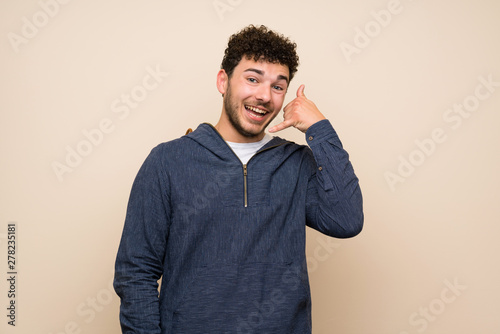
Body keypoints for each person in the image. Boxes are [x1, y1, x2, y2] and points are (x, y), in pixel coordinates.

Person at [114, 24, 363, 334]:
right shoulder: (168, 161)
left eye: (277, 86)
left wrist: (321, 129)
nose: (263, 96)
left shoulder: (296, 164)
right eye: (252, 79)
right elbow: (135, 272)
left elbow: (346, 219)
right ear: (223, 81)